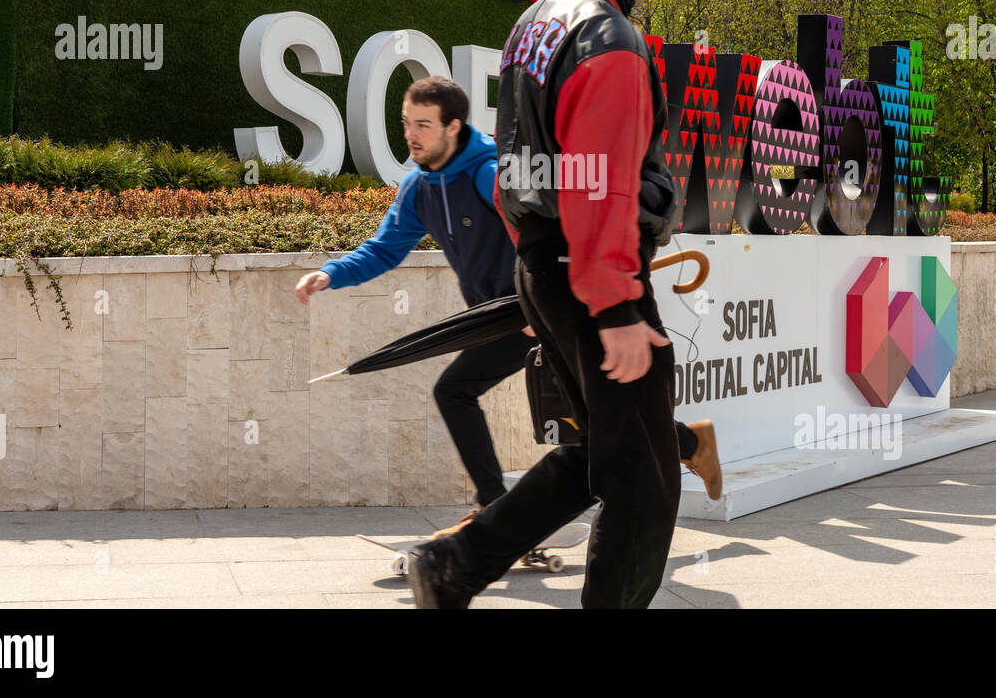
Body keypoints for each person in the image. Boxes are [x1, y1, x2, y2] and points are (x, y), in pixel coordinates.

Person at [409, 0, 693, 608]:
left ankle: (456, 565)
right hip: (592, 272)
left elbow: (513, 168)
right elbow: (600, 187)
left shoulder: (533, 23)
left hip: (543, 263)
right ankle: (459, 565)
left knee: (600, 454)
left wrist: (537, 281)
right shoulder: (611, 41)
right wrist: (616, 306)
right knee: (647, 479)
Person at [296, 76, 721, 537]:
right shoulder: (419, 187)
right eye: (406, 123)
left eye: (423, 124)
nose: (411, 134)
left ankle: (500, 510)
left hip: (540, 305)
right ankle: (686, 441)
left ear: (453, 126)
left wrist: (541, 302)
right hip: (502, 316)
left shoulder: (489, 173)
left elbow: (542, 235)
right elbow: (384, 249)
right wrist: (331, 274)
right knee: (567, 406)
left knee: (567, 406)